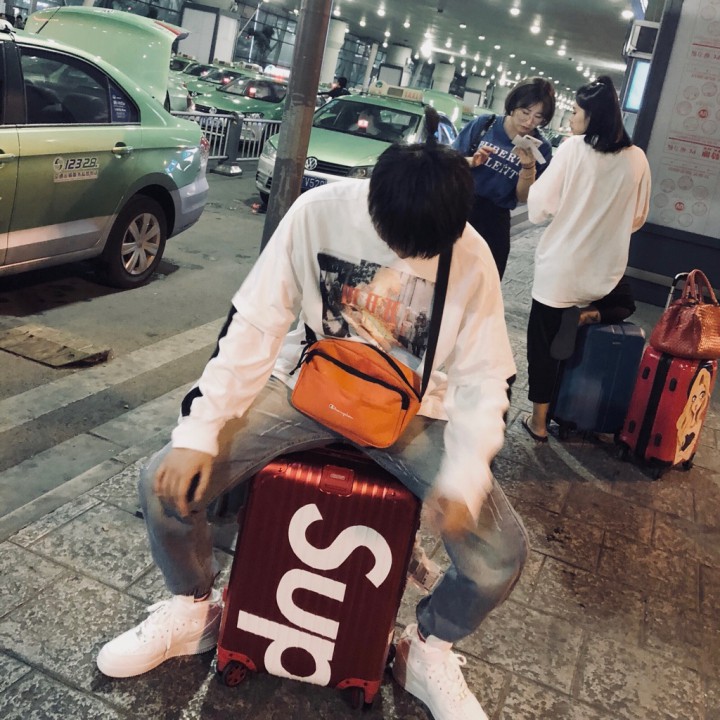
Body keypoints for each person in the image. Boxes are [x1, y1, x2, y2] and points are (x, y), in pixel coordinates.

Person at [96, 136, 528, 720]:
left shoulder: (471, 256)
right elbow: (255, 324)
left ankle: (426, 649)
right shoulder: (318, 212)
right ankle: (194, 607)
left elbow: (485, 378)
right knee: (161, 483)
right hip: (305, 386)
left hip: (411, 413)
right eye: (394, 241)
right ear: (371, 201)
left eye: (421, 250)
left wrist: (465, 476)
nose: (405, 255)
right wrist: (198, 433)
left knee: (499, 552)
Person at [521, 75, 651, 443]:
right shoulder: (637, 158)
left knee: (542, 345)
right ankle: (587, 315)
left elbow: (539, 207)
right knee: (624, 304)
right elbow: (638, 217)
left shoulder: (573, 149)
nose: (571, 119)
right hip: (604, 271)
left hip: (561, 272)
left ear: (592, 117)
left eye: (576, 112)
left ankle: (539, 423)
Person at [452, 76, 555, 279]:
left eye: (538, 116)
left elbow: (523, 197)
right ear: (513, 106)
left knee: (485, 279)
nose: (529, 121)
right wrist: (473, 161)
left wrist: (528, 166)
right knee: (444, 271)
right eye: (525, 112)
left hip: (496, 218)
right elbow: (449, 163)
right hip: (459, 208)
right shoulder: (486, 124)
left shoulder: (541, 148)